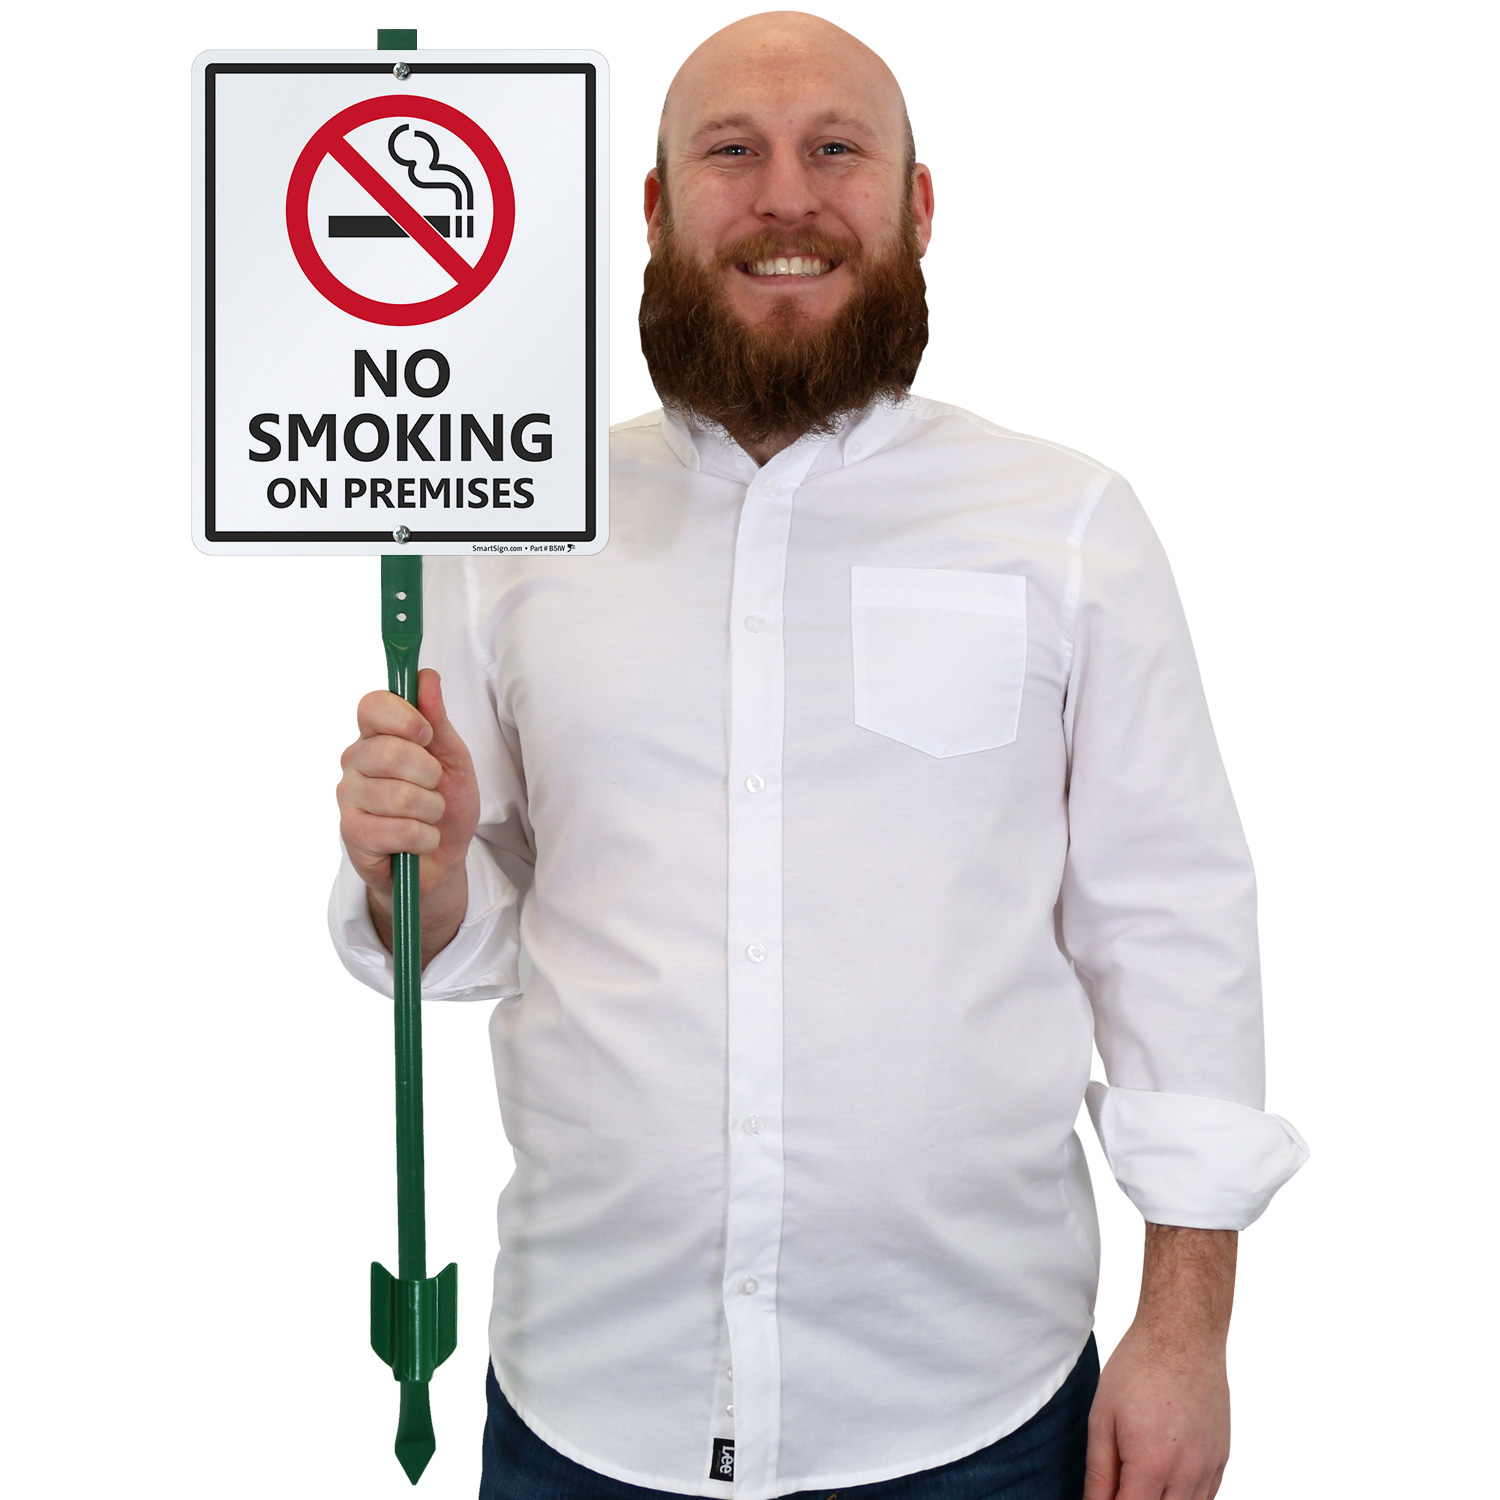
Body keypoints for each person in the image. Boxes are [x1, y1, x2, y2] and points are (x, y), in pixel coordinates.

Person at [331, 13, 1308, 1500]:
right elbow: (476, 929)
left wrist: (1186, 1329)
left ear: (918, 205)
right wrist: (427, 867)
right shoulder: (517, 527)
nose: (786, 197)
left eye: (836, 150)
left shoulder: (1065, 524)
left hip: (971, 1414)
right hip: (590, 1402)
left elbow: (1172, 927)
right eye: (732, 151)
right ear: (656, 209)